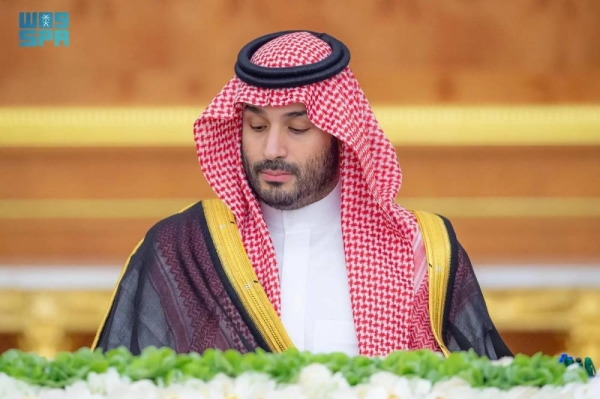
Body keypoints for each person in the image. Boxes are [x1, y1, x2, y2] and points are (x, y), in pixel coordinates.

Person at [92, 30, 512, 359]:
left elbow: (483, 379)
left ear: (338, 133)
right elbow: (116, 381)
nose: (272, 149)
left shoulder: (420, 251)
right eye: (256, 127)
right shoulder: (183, 249)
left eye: (297, 128)